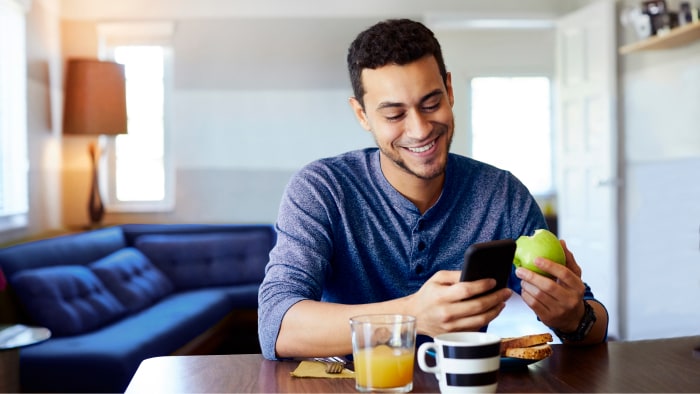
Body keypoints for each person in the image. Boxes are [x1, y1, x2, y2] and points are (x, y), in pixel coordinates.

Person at [258, 18, 608, 360]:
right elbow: (276, 324)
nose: (421, 129)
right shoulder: (322, 189)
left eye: (431, 103)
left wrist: (573, 316)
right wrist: (411, 315)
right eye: (394, 115)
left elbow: (594, 321)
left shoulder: (502, 194)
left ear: (450, 90)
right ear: (362, 115)